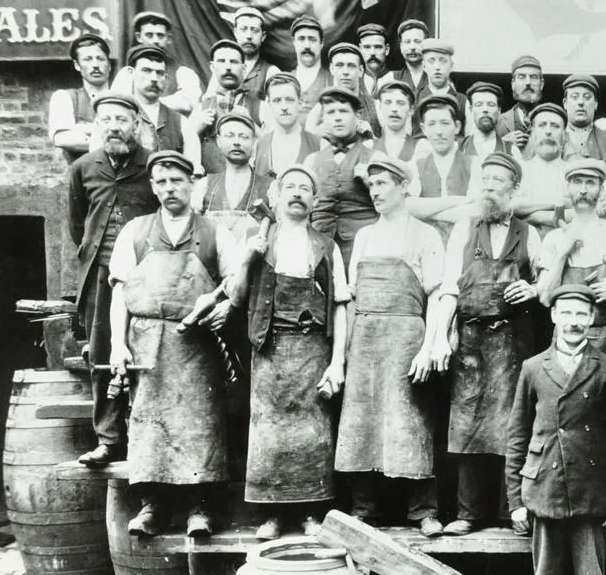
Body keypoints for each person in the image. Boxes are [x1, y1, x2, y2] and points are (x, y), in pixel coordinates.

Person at [107, 150, 237, 536]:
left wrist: (225, 306)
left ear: (191, 184)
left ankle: (201, 507)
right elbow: (119, 294)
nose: (169, 188)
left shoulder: (214, 232)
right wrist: (118, 345)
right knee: (150, 425)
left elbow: (235, 283)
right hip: (146, 344)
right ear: (152, 187)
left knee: (200, 424)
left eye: (177, 180)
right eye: (161, 182)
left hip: (196, 346)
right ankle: (153, 506)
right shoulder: (135, 232)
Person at [230, 165, 348, 539]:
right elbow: (235, 297)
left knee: (313, 435)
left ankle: (312, 512)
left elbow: (340, 305)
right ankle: (273, 515)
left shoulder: (327, 246)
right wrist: (248, 257)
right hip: (269, 348)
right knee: (269, 435)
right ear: (277, 197)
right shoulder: (256, 238)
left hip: (313, 349)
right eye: (290, 187)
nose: (297, 193)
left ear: (314, 200)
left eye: (305, 189)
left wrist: (337, 361)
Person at [431, 151, 542, 535]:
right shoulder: (464, 230)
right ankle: (468, 514)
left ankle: (511, 511)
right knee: (467, 425)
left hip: (514, 342)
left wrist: (533, 289)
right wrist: (442, 336)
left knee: (514, 425)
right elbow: (449, 286)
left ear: (514, 189)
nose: (490, 187)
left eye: (499, 181)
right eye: (486, 180)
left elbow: (546, 280)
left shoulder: (529, 234)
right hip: (472, 343)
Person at [336, 156, 446, 538]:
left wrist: (428, 347)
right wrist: (346, 352)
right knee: (361, 421)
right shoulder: (365, 236)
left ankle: (424, 510)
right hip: (366, 339)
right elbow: (352, 296)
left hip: (406, 339)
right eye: (371, 185)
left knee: (411, 421)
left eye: (383, 184)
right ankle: (364, 509)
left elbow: (437, 295)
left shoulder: (426, 235)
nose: (376, 192)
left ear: (403, 187)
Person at [506, 284, 606, 573]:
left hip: (591, 492)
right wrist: (515, 502)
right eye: (566, 313)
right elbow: (517, 437)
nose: (573, 322)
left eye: (580, 314)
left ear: (591, 318)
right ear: (554, 315)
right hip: (545, 490)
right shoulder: (533, 368)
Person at [70, 93, 159, 467]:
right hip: (100, 278)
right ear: (97, 125)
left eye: (121, 120)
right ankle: (109, 440)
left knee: (147, 351)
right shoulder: (82, 168)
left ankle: (146, 439)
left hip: (146, 276)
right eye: (106, 120)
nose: (113, 127)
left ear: (136, 125)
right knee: (102, 355)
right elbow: (77, 227)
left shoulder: (152, 165)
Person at [537, 159, 606, 360]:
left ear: (601, 189)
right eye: (577, 182)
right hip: (567, 340)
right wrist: (563, 254)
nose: (583, 190)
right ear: (568, 188)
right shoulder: (554, 239)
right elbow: (545, 298)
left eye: (590, 183)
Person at [306, 87, 376, 266]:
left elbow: (393, 206)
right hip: (320, 247)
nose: (337, 118)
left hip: (362, 248)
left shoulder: (374, 157)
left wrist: (371, 183)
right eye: (330, 112)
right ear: (323, 119)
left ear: (357, 116)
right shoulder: (312, 160)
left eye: (344, 111)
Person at [110, 11, 202, 117]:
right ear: (139, 37)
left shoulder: (183, 72)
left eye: (160, 35)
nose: (155, 40)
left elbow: (188, 104)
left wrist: (144, 103)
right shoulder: (127, 72)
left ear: (169, 38)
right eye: (149, 35)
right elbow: (117, 104)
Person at [121, 45, 200, 161]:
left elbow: (193, 165)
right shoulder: (118, 116)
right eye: (146, 71)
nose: (154, 78)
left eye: (159, 73)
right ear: (131, 72)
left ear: (166, 78)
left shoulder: (181, 122)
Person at [196, 40, 255, 174]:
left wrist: (252, 125)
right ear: (212, 67)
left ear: (244, 68)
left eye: (234, 62)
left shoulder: (260, 106)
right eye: (222, 61)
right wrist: (198, 127)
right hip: (211, 182)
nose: (228, 67)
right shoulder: (203, 106)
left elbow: (271, 145)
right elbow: (184, 144)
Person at [50, 34, 112, 164]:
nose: (95, 65)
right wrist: (113, 141)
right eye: (88, 59)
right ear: (77, 65)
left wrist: (84, 129)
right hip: (82, 173)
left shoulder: (122, 98)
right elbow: (62, 139)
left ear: (109, 64)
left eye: (100, 59)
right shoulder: (65, 97)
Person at [193, 114, 272, 213]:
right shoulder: (204, 186)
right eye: (229, 136)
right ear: (219, 141)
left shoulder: (270, 188)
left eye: (244, 137)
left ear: (253, 142)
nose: (236, 142)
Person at [253, 73, 323, 179]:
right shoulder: (258, 145)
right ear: (269, 105)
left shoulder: (318, 144)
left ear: (300, 102)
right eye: (277, 100)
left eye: (289, 99)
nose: (284, 107)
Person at [304, 43, 382, 138]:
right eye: (339, 65)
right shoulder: (319, 109)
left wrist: (372, 136)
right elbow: (307, 142)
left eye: (351, 66)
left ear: (361, 71)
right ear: (332, 69)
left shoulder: (376, 106)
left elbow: (390, 143)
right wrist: (316, 134)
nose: (345, 72)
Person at [562, 74, 606, 174]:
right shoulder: (556, 140)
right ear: (565, 103)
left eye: (587, 97)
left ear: (595, 104)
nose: (580, 102)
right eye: (575, 97)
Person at [227, 7, 279, 124]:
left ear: (263, 36)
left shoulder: (271, 72)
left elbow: (274, 120)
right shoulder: (223, 66)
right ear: (235, 33)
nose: (249, 36)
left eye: (254, 30)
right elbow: (208, 105)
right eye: (244, 29)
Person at [286, 15, 332, 122]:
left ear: (321, 43)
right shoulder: (284, 81)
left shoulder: (332, 81)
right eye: (301, 39)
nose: (307, 45)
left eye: (312, 39)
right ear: (294, 42)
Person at [420, 39, 469, 134]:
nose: (437, 67)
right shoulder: (414, 99)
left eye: (442, 61)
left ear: (451, 66)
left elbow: (469, 138)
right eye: (431, 61)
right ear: (424, 66)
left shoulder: (463, 101)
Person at [461, 82, 518, 160]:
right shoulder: (459, 148)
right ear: (471, 109)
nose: (485, 109)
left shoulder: (512, 152)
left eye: (491, 104)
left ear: (499, 110)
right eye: (479, 104)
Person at [496, 55, 543, 150]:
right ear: (513, 84)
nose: (528, 82)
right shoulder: (497, 122)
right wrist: (503, 144)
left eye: (533, 77)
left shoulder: (554, 121)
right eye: (522, 77)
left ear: (541, 84)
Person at [379, 19, 431, 102]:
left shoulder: (435, 78)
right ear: (401, 47)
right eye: (407, 42)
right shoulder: (390, 79)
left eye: (417, 41)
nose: (412, 47)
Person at [372, 80, 423, 162]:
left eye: (400, 103)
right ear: (380, 107)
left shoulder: (421, 148)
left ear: (411, 109)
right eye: (388, 102)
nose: (394, 109)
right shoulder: (369, 147)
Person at [357, 23, 391, 95]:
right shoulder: (354, 82)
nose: (372, 53)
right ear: (360, 49)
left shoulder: (398, 79)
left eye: (378, 47)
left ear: (387, 49)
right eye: (367, 47)